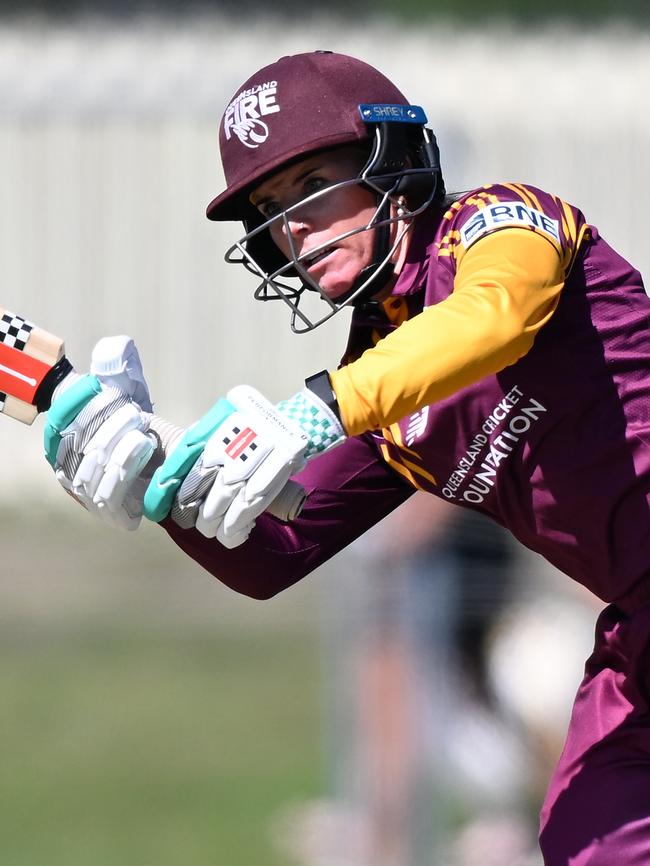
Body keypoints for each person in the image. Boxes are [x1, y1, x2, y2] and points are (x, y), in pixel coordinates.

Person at [43, 50, 650, 866]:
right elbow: (272, 559)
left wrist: (323, 408)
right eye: (270, 207)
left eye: (311, 186)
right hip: (637, 637)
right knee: (588, 840)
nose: (291, 225)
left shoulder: (502, 222)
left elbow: (494, 319)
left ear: (394, 164)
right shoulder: (382, 382)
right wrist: (153, 484)